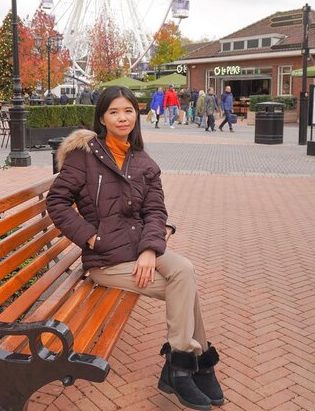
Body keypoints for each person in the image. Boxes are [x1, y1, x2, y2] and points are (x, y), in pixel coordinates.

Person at [46, 87, 224, 410]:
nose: (122, 117)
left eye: (128, 110)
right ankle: (191, 366)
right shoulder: (83, 156)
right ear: (102, 117)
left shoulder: (143, 162)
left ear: (136, 115)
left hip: (140, 248)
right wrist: (91, 238)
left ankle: (183, 364)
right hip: (106, 260)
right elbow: (56, 202)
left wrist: (149, 251)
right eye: (114, 111)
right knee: (182, 286)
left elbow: (156, 212)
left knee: (185, 270)